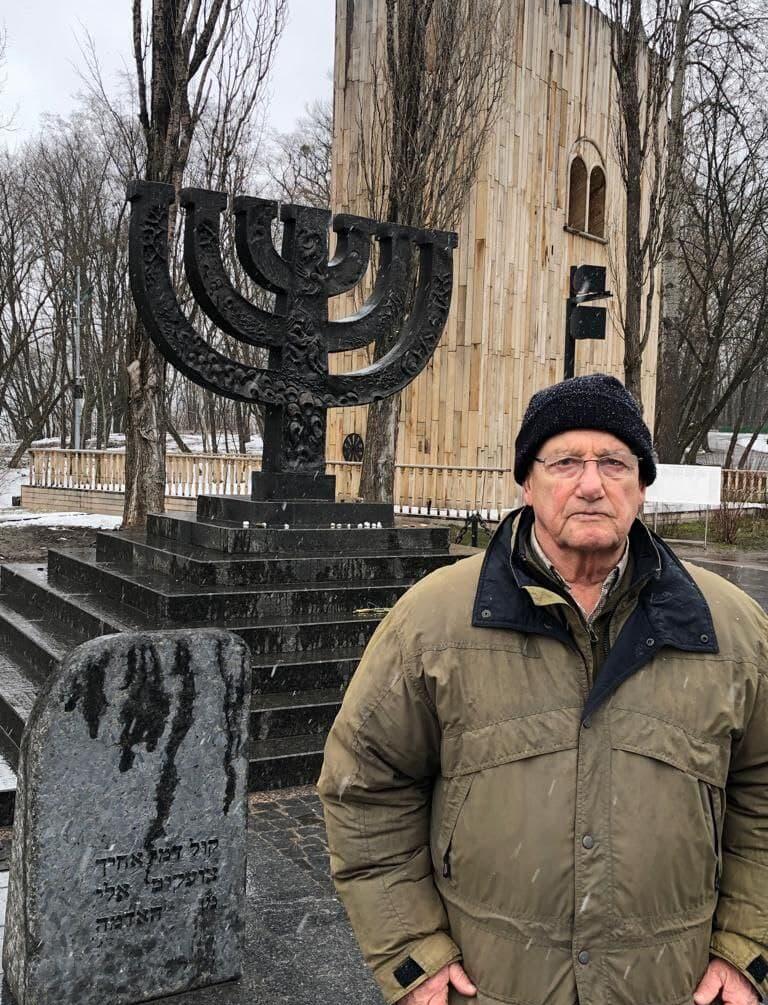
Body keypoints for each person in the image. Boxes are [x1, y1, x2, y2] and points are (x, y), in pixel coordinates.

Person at [318, 373, 768, 1005]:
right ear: (527, 482)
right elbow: (364, 789)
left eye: (614, 461)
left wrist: (747, 948)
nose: (590, 484)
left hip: (673, 987)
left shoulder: (734, 631)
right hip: (490, 987)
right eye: (564, 461)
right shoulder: (432, 623)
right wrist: (412, 954)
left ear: (642, 484)